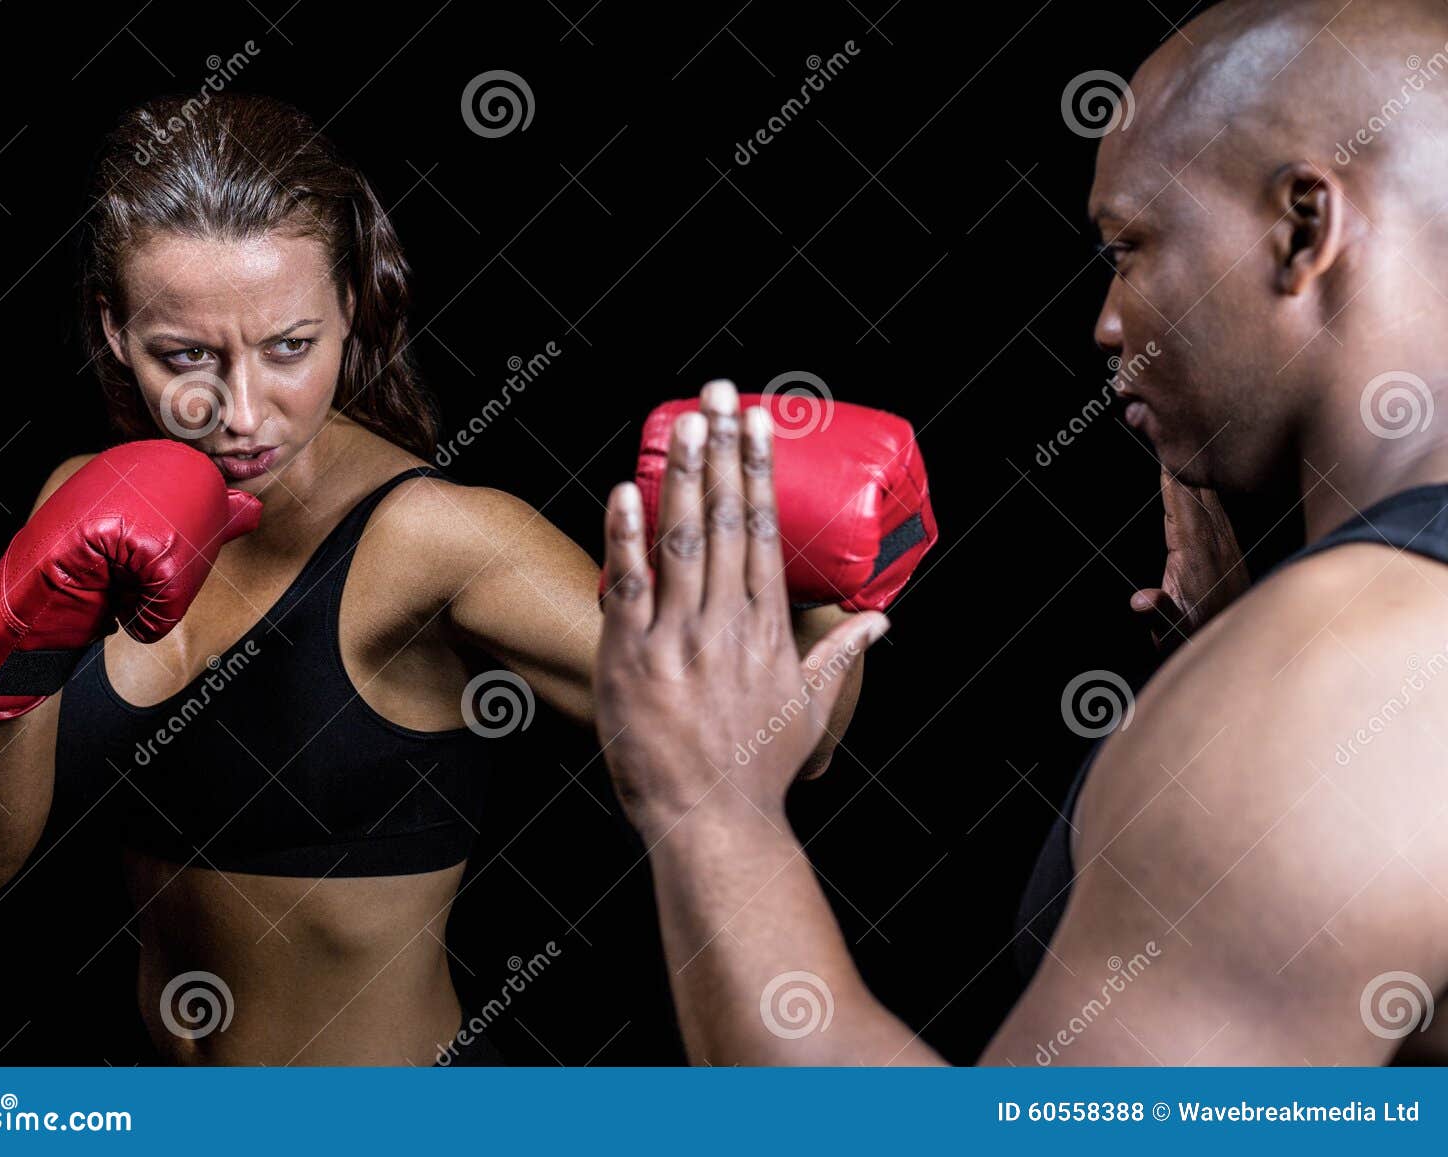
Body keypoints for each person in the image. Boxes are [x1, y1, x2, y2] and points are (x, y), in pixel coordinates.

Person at [0, 94, 881, 1065]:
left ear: (349, 308)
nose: (242, 409)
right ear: (115, 327)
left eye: (290, 346)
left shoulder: (432, 540)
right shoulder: (79, 501)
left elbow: (771, 745)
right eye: (185, 355)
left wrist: (823, 586)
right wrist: (29, 642)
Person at [593, 0, 1448, 1066]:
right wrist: (1232, 653)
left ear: (1303, 228)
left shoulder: (1338, 691)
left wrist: (711, 807)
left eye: (1129, 246)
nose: (1105, 321)